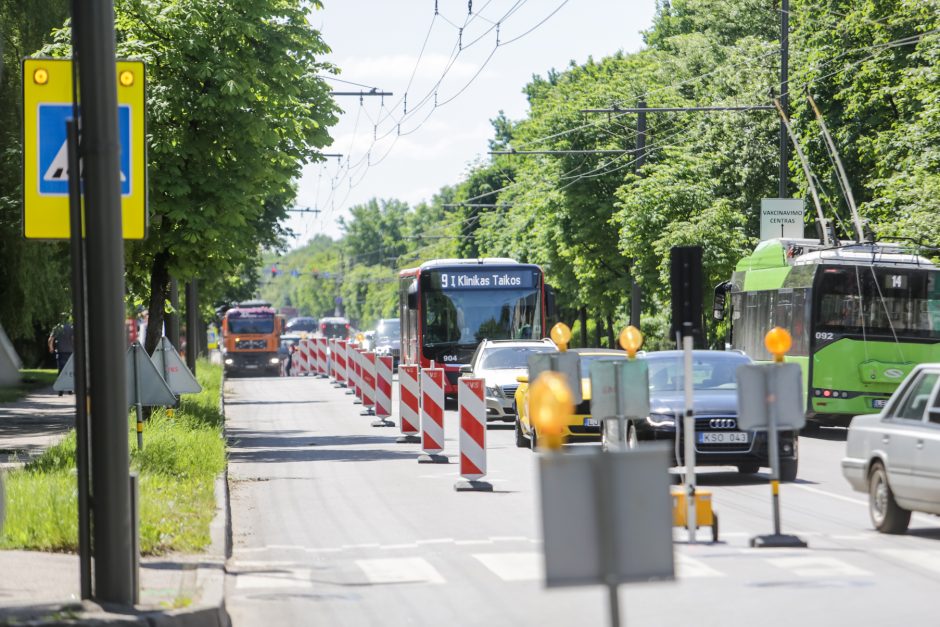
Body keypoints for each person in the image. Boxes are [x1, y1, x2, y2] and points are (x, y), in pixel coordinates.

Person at [48, 318, 74, 396]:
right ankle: (69, 389)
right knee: (70, 371)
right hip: (70, 352)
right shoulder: (72, 327)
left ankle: (60, 390)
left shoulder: (57, 328)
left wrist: (51, 348)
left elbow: (51, 339)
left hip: (61, 351)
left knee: (61, 370)